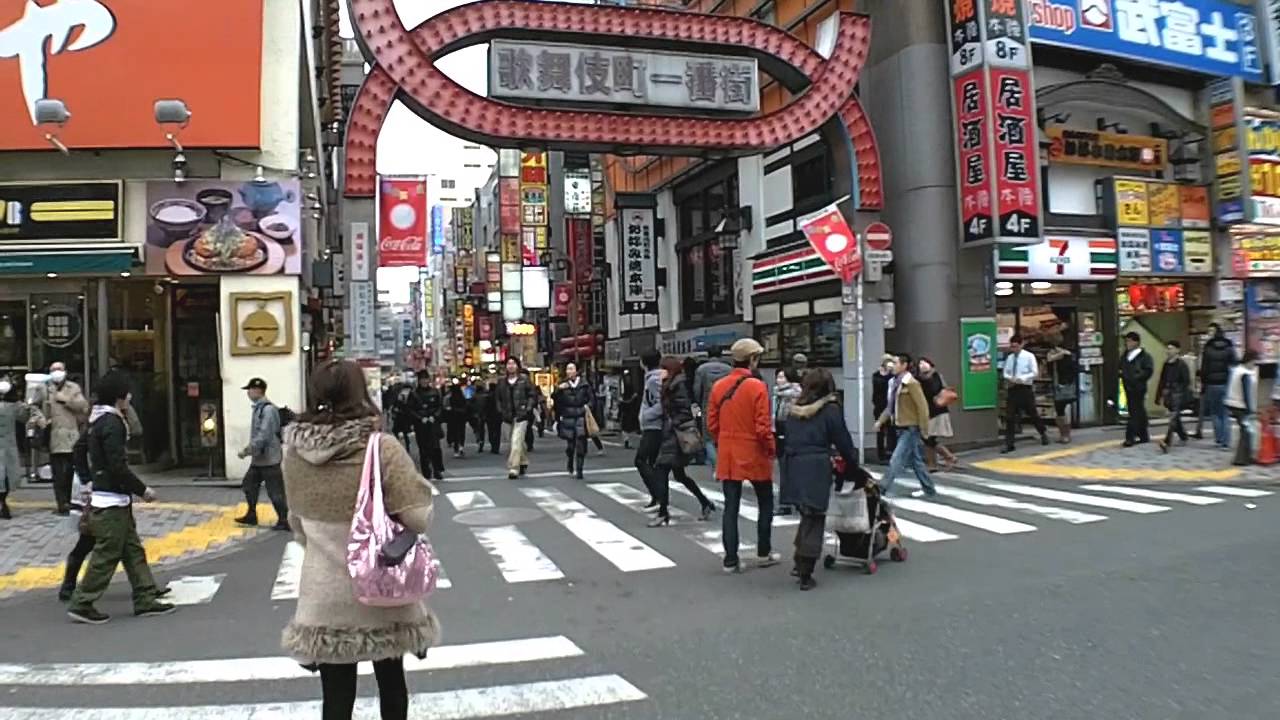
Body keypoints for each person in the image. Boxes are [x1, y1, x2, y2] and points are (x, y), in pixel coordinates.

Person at [281, 360, 436, 720]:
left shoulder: (294, 455)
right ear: (360, 393)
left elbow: (297, 524)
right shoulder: (381, 448)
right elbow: (418, 517)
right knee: (392, 686)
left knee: (336, 699)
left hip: (325, 593)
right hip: (381, 588)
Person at [66, 372, 174, 624]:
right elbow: (118, 465)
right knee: (107, 553)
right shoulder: (112, 423)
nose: (130, 396)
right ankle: (82, 602)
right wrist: (142, 489)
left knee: (132, 550)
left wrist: (88, 479)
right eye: (127, 392)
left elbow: (79, 451)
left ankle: (145, 597)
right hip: (111, 501)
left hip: (110, 497)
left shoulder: (97, 420)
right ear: (119, 397)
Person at [780, 369, 860, 591]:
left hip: (792, 464)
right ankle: (805, 570)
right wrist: (853, 466)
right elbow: (842, 441)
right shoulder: (830, 410)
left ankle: (799, 561)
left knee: (806, 514)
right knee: (815, 516)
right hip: (815, 466)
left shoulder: (793, 410)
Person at [706, 338, 779, 573]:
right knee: (765, 502)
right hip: (754, 451)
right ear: (753, 359)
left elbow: (711, 423)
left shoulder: (719, 386)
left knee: (731, 506)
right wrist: (771, 449)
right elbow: (762, 427)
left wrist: (723, 440)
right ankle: (764, 551)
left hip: (728, 452)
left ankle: (730, 560)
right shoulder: (757, 386)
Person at [648, 356, 715, 526]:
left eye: (663, 369)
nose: (660, 372)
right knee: (679, 475)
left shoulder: (678, 385)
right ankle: (705, 502)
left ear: (669, 369)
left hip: (676, 434)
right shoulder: (671, 384)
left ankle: (663, 513)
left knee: (661, 470)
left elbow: (684, 409)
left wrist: (672, 422)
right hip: (673, 433)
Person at [875, 352, 936, 498]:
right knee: (915, 461)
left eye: (895, 363)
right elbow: (890, 406)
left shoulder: (912, 383)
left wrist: (924, 429)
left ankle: (882, 487)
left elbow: (922, 407)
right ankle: (929, 489)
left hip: (911, 428)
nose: (892, 366)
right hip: (899, 427)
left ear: (904, 366)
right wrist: (880, 421)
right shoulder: (893, 383)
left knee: (896, 458)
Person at [232, 378, 289, 530]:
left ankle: (284, 519)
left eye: (250, 390)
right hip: (260, 459)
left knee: (275, 492)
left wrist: (247, 450)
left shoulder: (268, 410)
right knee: (249, 484)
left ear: (258, 391)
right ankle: (251, 515)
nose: (248, 393)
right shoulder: (258, 408)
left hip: (269, 458)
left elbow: (263, 435)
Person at [35, 362, 89, 515]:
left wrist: (65, 400)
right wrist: (40, 419)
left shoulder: (73, 388)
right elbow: (33, 406)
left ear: (65, 371)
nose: (56, 372)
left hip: (71, 436)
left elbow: (83, 406)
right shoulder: (44, 388)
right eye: (53, 370)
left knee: (71, 472)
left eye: (59, 369)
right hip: (54, 436)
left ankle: (72, 501)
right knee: (58, 473)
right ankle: (61, 503)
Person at [1000, 335, 1048, 453]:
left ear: (1021, 345)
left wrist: (1022, 378)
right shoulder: (1010, 358)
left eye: (1016, 347)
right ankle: (1009, 443)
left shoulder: (1029, 356)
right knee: (1009, 416)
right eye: (1012, 347)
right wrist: (1010, 378)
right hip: (1013, 388)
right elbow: (1005, 371)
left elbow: (1034, 372)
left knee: (1032, 413)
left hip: (1025, 388)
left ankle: (1042, 432)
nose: (1013, 349)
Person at [495, 358, 538, 479]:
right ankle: (523, 461)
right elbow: (497, 398)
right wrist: (501, 411)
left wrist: (528, 408)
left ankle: (513, 468)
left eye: (513, 364)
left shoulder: (524, 380)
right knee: (514, 442)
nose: (511, 366)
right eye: (509, 364)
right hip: (507, 416)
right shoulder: (502, 382)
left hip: (521, 416)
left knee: (516, 441)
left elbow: (532, 395)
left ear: (517, 366)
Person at [551, 362, 594, 479]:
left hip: (581, 415)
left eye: (571, 369)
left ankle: (580, 469)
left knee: (581, 444)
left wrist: (588, 406)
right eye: (567, 369)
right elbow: (555, 400)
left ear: (576, 371)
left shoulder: (584, 384)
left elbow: (591, 398)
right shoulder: (562, 385)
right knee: (570, 445)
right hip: (567, 416)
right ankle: (570, 460)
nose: (569, 371)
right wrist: (558, 390)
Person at [634, 349, 665, 508]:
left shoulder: (654, 380)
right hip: (654, 425)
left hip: (654, 426)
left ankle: (658, 493)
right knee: (652, 462)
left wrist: (647, 415)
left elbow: (661, 403)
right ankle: (657, 497)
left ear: (644, 363)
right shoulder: (653, 378)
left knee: (640, 460)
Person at [692, 346, 732, 467]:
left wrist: (698, 403)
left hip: (707, 406)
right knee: (725, 436)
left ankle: (717, 465)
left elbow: (697, 389)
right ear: (721, 354)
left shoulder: (701, 369)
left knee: (708, 438)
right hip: (727, 406)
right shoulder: (729, 369)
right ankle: (726, 463)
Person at [1197, 323, 1236, 449]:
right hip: (1226, 383)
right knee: (1225, 413)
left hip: (1211, 384)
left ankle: (1219, 439)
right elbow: (1235, 363)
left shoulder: (1208, 348)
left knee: (1215, 412)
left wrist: (1202, 384)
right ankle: (1226, 441)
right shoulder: (1229, 347)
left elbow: (1204, 368)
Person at [772, 364, 803, 516]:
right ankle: (793, 501)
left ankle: (786, 503)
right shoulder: (778, 395)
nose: (779, 380)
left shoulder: (794, 395)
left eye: (782, 377)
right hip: (780, 434)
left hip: (790, 434)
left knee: (787, 470)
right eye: (778, 377)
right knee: (786, 470)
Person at [916, 357, 957, 471]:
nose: (922, 365)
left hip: (937, 411)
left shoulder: (935, 376)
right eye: (920, 363)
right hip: (927, 411)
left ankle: (947, 457)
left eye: (924, 363)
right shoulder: (919, 378)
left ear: (930, 364)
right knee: (928, 438)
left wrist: (926, 379)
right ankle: (933, 463)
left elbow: (935, 390)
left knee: (929, 438)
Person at [405, 372, 445, 480]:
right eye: (422, 379)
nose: (424, 381)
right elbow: (409, 409)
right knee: (423, 449)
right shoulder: (414, 394)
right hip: (420, 424)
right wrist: (420, 418)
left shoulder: (435, 392)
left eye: (426, 379)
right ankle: (426, 471)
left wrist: (435, 416)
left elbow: (440, 407)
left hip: (433, 423)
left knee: (436, 448)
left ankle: (438, 470)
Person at [1157, 340, 1192, 454]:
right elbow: (1162, 380)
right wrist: (1159, 395)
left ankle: (1167, 441)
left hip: (1178, 394)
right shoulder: (1166, 364)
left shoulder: (1182, 365)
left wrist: (1181, 392)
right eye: (1168, 348)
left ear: (1177, 350)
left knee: (1173, 418)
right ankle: (1183, 436)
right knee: (1175, 417)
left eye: (1171, 348)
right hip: (1168, 394)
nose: (1169, 350)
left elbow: (1186, 381)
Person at [0, 379, 28, 519]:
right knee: (6, 476)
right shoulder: (14, 407)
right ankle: (3, 503)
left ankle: (2, 504)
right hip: (9, 446)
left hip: (6, 446)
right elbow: (24, 416)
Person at [1225, 350, 1259, 465]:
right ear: (1250, 361)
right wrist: (1250, 410)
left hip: (1233, 404)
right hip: (1241, 406)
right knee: (1246, 431)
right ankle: (1240, 459)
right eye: (1254, 362)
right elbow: (1247, 394)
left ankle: (1247, 456)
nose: (1255, 365)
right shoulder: (1245, 373)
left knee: (1247, 431)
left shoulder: (1237, 370)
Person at [1120, 331, 1154, 447]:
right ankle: (1143, 435)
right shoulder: (1125, 356)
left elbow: (1148, 371)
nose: (1127, 343)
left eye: (1130, 341)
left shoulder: (1144, 356)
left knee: (1134, 412)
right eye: (1126, 341)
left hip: (1138, 387)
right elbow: (1121, 368)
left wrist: (1136, 377)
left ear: (1136, 342)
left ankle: (1130, 437)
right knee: (1138, 411)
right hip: (1128, 387)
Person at [1046, 336, 1077, 444]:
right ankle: (1065, 435)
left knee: (1060, 412)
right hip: (1065, 385)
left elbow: (1049, 363)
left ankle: (1064, 435)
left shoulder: (1053, 357)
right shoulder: (1068, 356)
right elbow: (1074, 371)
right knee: (1062, 411)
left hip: (1059, 386)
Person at [871, 354, 898, 462]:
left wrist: (891, 372)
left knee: (892, 430)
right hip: (879, 406)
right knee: (880, 430)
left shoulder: (893, 376)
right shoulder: (877, 375)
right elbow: (879, 385)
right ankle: (881, 454)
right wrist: (885, 373)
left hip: (891, 405)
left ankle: (891, 451)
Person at [483, 378, 503, 455]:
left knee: (491, 431)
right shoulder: (499, 396)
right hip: (498, 416)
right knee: (498, 431)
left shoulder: (487, 396)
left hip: (489, 416)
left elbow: (485, 407)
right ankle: (496, 446)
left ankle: (493, 445)